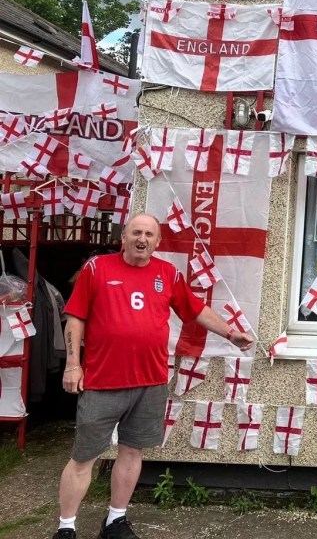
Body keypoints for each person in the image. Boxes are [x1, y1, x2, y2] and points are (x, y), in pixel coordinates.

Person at [54, 214, 255, 539]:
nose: (142, 239)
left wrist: (230, 333)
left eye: (149, 234)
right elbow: (75, 318)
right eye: (136, 232)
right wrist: (73, 364)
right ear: (124, 237)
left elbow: (196, 310)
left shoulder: (168, 274)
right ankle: (66, 527)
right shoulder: (97, 269)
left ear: (158, 242)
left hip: (150, 383)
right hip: (103, 382)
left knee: (133, 452)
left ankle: (115, 521)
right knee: (83, 458)